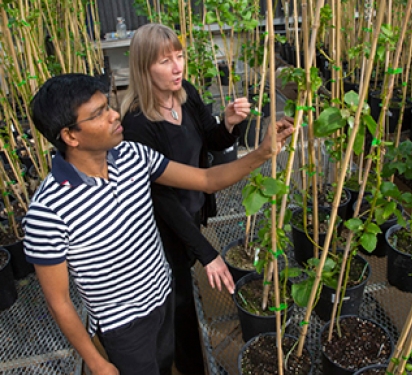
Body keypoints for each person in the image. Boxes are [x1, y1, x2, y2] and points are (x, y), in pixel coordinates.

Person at [23, 73, 293, 375]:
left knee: (165, 365)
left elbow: (206, 179)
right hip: (122, 326)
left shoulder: (132, 156)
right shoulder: (47, 212)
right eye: (99, 113)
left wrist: (262, 153)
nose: (114, 114)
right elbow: (58, 301)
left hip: (163, 295)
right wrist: (97, 363)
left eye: (108, 105)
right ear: (71, 136)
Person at [120, 23, 249, 374]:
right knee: (176, 299)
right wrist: (206, 252)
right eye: (165, 61)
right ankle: (187, 365)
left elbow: (211, 140)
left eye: (179, 57)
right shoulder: (136, 124)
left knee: (181, 287)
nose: (178, 67)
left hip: (190, 213)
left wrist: (230, 123)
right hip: (158, 229)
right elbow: (161, 199)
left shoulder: (185, 93)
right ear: (143, 68)